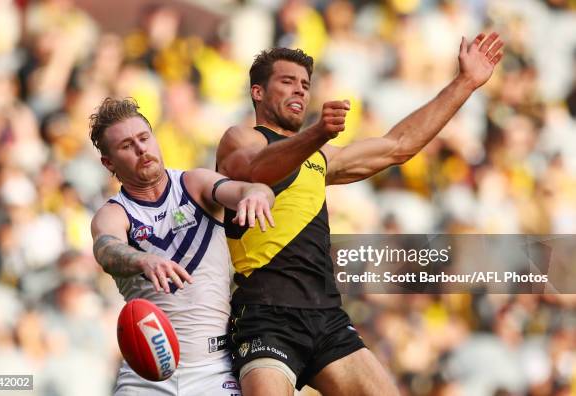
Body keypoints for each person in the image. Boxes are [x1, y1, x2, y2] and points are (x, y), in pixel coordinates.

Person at [216, 32, 504, 395]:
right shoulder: (240, 138)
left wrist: (465, 83)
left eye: (305, 85)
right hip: (265, 315)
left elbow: (397, 146)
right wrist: (318, 133)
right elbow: (258, 170)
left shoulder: (320, 158)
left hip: (326, 317)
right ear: (257, 92)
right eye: (287, 82)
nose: (300, 91)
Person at [89, 97, 275, 396]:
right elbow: (107, 250)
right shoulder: (113, 214)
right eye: (126, 145)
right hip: (146, 377)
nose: (141, 149)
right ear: (109, 162)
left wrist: (256, 194)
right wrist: (143, 261)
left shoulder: (194, 185)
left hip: (214, 369)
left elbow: (247, 189)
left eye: (144, 138)